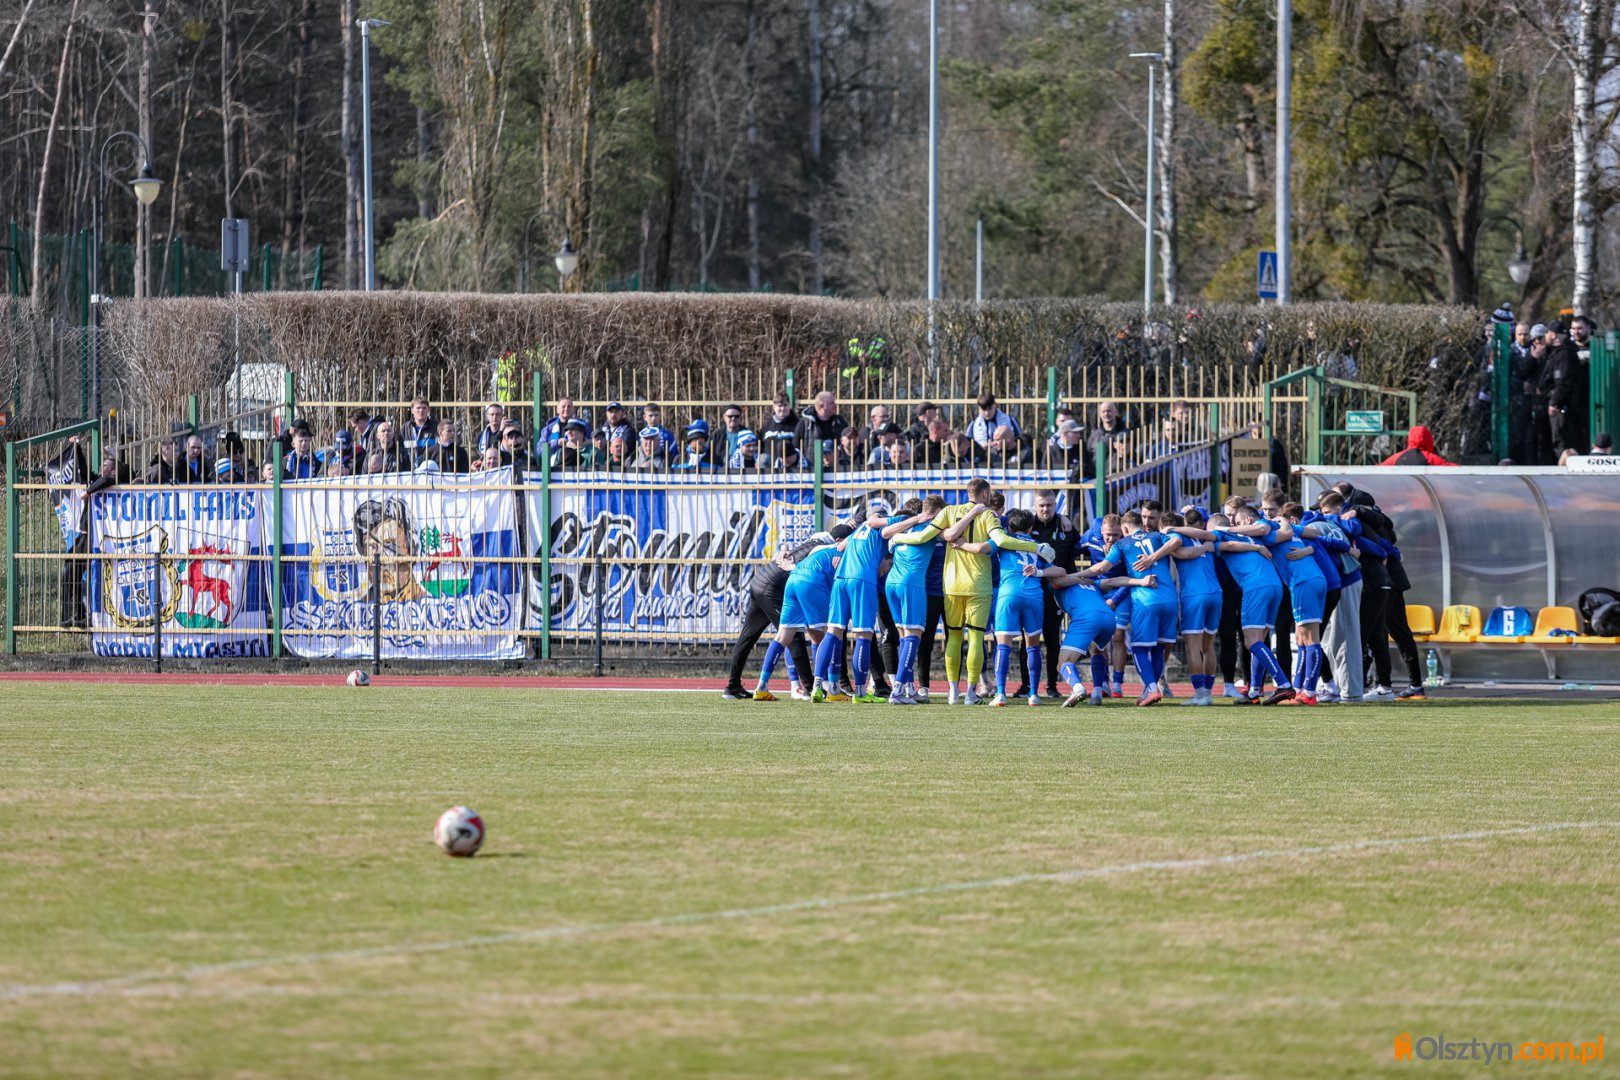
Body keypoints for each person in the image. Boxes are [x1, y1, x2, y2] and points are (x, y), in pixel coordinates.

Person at [888, 480, 1056, 705]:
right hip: (978, 584)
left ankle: (952, 693)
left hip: (951, 584)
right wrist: (1037, 547)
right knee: (976, 638)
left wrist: (897, 538)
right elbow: (1002, 540)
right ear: (985, 494)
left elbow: (922, 537)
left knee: (954, 637)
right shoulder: (988, 515)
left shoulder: (948, 511)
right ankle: (970, 693)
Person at [723, 523, 853, 701]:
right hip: (784, 585)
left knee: (780, 635)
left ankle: (757, 686)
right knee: (832, 634)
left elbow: (799, 563)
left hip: (771, 580)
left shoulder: (814, 544)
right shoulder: (845, 550)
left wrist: (785, 558)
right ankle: (821, 688)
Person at [1084, 510, 1180, 706]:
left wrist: (1073, 577)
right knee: (1159, 648)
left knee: (1139, 649)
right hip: (1170, 599)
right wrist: (1154, 557)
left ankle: (1152, 689)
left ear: (1125, 529)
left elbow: (1101, 568)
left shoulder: (1123, 543)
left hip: (1146, 600)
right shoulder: (1157, 536)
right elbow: (1177, 541)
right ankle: (1148, 689)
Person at [811, 509, 895, 703]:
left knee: (832, 632)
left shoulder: (857, 531)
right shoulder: (882, 531)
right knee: (864, 636)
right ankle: (860, 692)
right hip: (862, 580)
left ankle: (817, 686)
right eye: (888, 566)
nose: (885, 572)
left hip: (841, 579)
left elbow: (839, 548)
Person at [877, 497, 944, 703]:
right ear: (936, 513)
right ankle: (897, 691)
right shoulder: (932, 527)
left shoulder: (903, 529)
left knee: (904, 636)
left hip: (892, 584)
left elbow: (885, 533)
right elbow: (950, 534)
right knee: (913, 637)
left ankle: (907, 688)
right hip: (911, 584)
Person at [1025, 490, 1079, 697]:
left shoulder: (1065, 526)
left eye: (1049, 505)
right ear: (1035, 506)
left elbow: (1080, 545)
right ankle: (1026, 687)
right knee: (1028, 641)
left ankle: (1052, 686)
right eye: (1042, 506)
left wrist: (1064, 519)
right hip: (1033, 592)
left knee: (1052, 641)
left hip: (1056, 593)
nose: (1045, 509)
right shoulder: (1028, 527)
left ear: (1055, 505)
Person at [1379, 425, 1457, 466]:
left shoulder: (1397, 457)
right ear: (1428, 439)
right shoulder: (1429, 457)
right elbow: (1447, 466)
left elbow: (1380, 467)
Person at [760, 394, 800, 463]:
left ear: (789, 406)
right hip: (770, 470)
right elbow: (759, 445)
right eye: (779, 406)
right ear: (774, 407)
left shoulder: (797, 424)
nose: (782, 409)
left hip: (791, 468)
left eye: (785, 405)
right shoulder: (767, 425)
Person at [402, 397, 438, 466]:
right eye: (418, 408)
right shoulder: (405, 428)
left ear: (428, 410)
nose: (421, 410)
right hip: (409, 469)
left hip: (429, 469)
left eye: (424, 408)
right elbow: (400, 449)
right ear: (412, 410)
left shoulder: (435, 427)